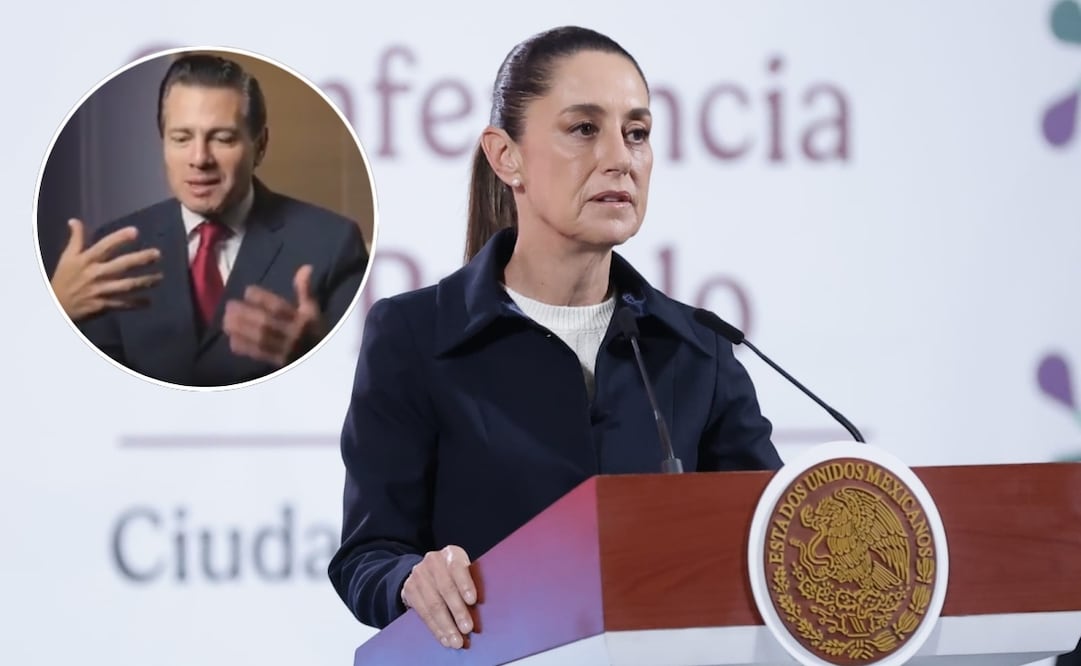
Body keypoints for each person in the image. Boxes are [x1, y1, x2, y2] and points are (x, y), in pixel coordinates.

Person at [328, 26, 782, 649]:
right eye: (584, 129)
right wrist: (412, 579)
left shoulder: (695, 349)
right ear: (505, 155)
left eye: (638, 133)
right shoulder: (414, 337)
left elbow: (775, 544)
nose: (620, 157)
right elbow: (368, 556)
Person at [64, 53, 368, 387]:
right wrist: (59, 309)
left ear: (260, 145)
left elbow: (363, 389)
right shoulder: (114, 249)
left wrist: (316, 357)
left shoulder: (333, 244)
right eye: (181, 138)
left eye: (222, 138)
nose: (199, 159)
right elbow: (88, 392)